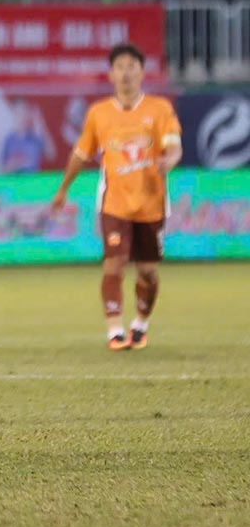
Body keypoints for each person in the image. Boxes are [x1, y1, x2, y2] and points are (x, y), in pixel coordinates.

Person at [51, 43, 182, 351]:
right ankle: (114, 332)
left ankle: (140, 323)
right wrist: (63, 189)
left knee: (148, 273)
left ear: (142, 71)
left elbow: (174, 145)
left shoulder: (159, 109)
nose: (125, 73)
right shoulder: (99, 113)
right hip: (114, 204)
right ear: (111, 74)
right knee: (114, 265)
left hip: (151, 204)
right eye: (119, 67)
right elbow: (81, 154)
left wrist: (170, 160)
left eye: (131, 66)